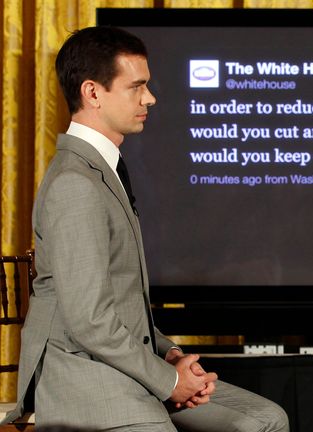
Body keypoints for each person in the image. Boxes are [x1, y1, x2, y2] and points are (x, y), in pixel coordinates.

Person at [1, 26, 289, 432]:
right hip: (83, 379)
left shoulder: (105, 168)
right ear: (93, 93)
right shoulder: (74, 184)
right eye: (137, 86)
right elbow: (90, 321)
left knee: (266, 420)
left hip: (127, 368)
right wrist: (170, 381)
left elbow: (122, 304)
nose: (150, 98)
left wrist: (169, 355)